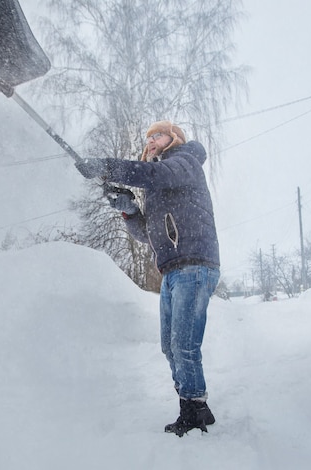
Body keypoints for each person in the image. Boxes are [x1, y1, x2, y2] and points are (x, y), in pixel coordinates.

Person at [74, 120, 220, 437]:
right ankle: (193, 407)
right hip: (172, 268)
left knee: (184, 344)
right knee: (170, 346)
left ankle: (195, 410)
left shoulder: (185, 161)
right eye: (148, 137)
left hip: (195, 264)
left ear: (174, 138)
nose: (151, 140)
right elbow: (147, 235)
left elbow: (155, 175)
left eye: (158, 134)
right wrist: (129, 210)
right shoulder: (158, 187)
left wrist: (106, 167)